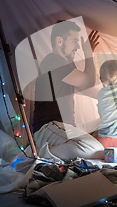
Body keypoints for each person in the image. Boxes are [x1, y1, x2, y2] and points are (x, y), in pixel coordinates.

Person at [31, 20, 103, 160]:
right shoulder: (54, 62)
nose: (77, 46)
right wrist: (88, 53)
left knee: (108, 123)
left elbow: (85, 88)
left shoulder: (66, 64)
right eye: (74, 41)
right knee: (94, 149)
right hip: (48, 126)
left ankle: (64, 149)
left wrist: (114, 98)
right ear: (59, 41)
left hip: (64, 126)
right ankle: (39, 154)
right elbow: (88, 82)